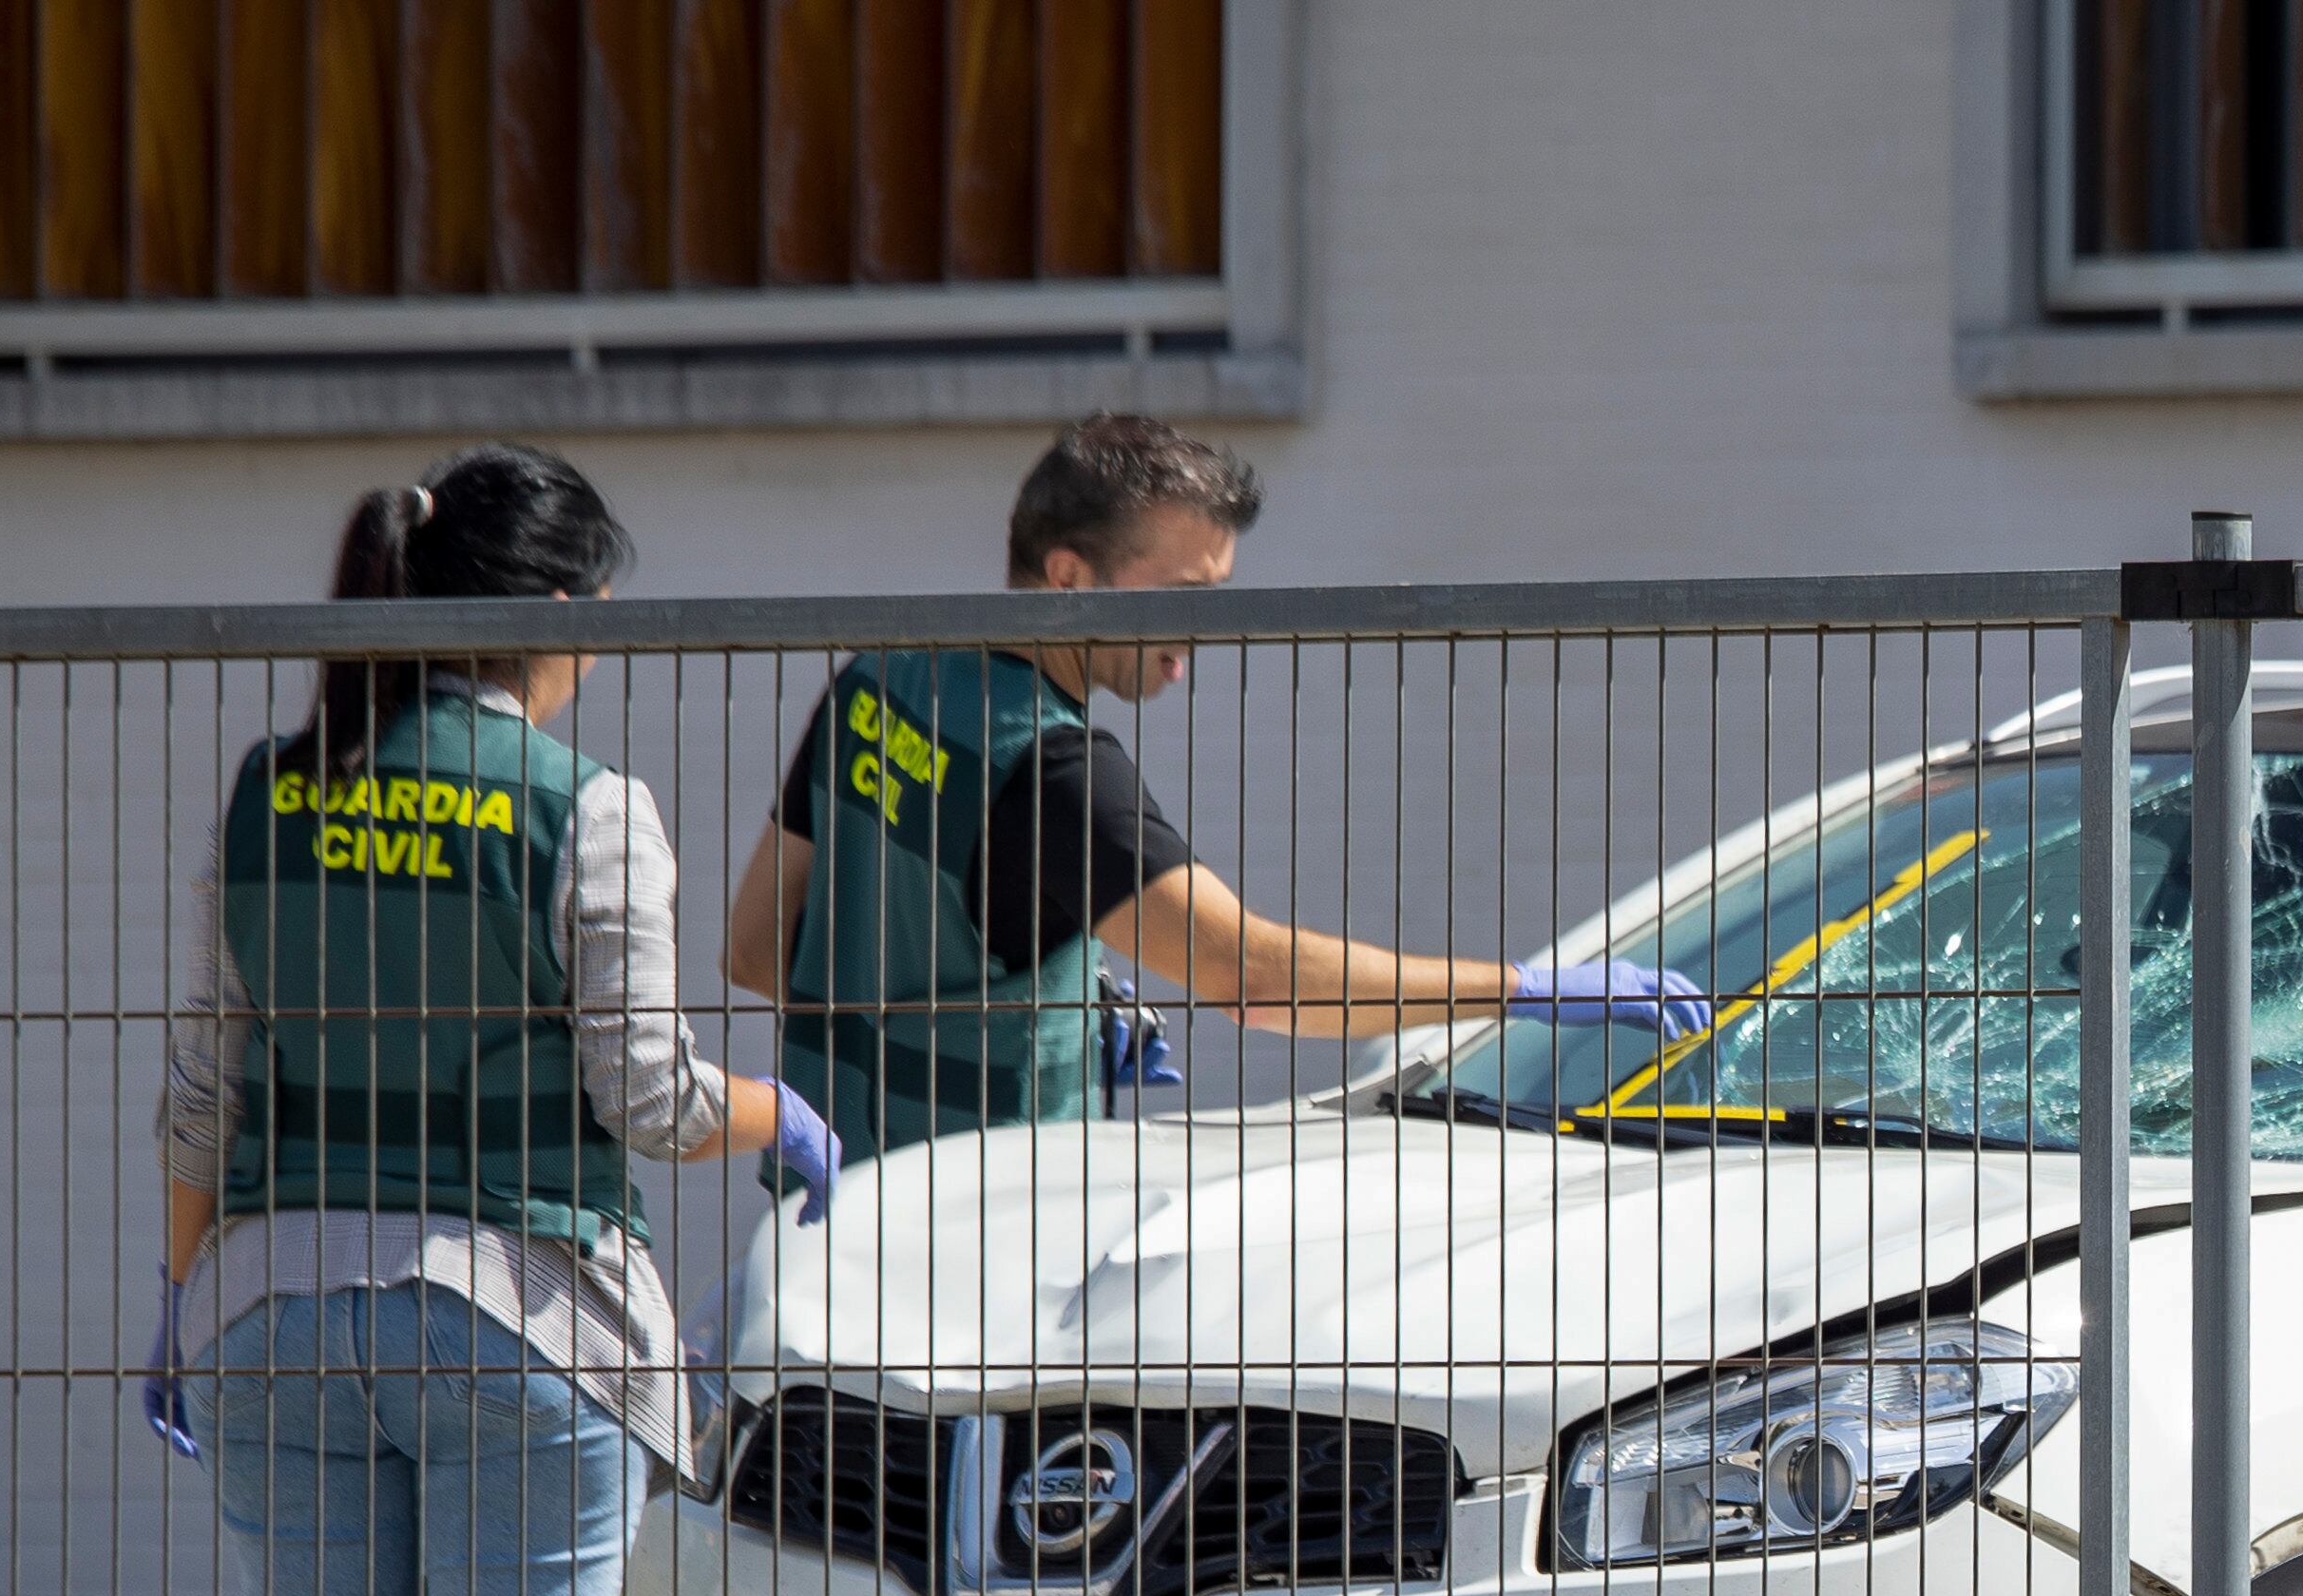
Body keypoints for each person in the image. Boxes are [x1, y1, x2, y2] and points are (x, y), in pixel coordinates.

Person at [141, 443, 841, 1596]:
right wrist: (777, 1112)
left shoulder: (268, 794)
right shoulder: (587, 808)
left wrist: (185, 1301)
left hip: (268, 1319)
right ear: (559, 616)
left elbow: (204, 1089)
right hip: (518, 1323)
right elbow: (645, 1098)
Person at [722, 413, 1711, 1169]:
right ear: (1069, 576)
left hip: (834, 1217)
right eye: (1183, 595)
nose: (1200, 631)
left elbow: (758, 951)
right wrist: (1527, 991)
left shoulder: (881, 684)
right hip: (982, 1243)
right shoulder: (1057, 771)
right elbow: (1254, 977)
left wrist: (1040, 1011)